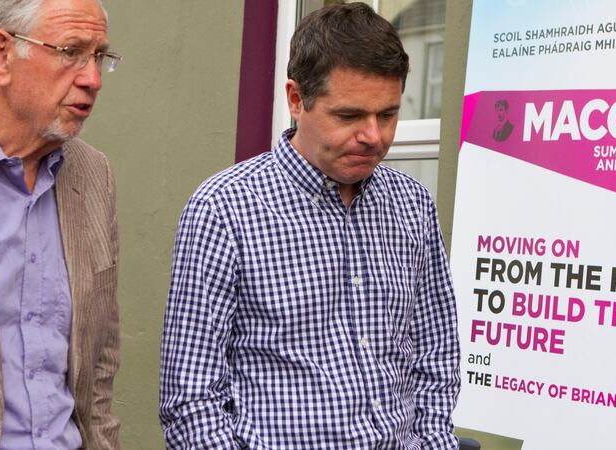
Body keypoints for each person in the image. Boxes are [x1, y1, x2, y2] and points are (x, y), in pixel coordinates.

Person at [160, 3, 460, 448]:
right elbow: (191, 401)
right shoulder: (224, 210)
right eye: (349, 116)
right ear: (296, 100)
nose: (374, 136)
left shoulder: (412, 205)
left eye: (388, 114)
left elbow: (436, 356)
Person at [0, 0, 122, 448]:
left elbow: (99, 365)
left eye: (99, 55)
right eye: (71, 52)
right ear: (1, 55)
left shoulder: (93, 175)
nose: (93, 79)